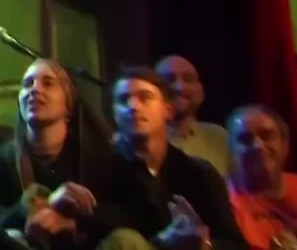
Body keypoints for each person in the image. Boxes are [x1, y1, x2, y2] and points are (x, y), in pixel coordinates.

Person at [0, 59, 115, 249]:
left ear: (68, 106)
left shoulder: (96, 158)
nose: (35, 90)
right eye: (28, 84)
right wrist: (29, 208)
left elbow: (131, 215)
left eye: (48, 83)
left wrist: (74, 223)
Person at [98, 67, 245, 250]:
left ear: (167, 110)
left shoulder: (199, 173)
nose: (133, 106)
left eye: (145, 97)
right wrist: (162, 242)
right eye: (123, 100)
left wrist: (203, 243)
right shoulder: (100, 171)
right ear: (113, 114)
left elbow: (236, 244)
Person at [225, 105, 297, 249]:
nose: (258, 145)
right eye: (246, 139)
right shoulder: (224, 203)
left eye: (266, 136)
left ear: (285, 145)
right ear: (232, 151)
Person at [157, 55, 231, 177]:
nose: (180, 87)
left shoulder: (219, 137)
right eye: (169, 80)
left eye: (188, 79)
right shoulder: (144, 139)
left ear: (201, 91)